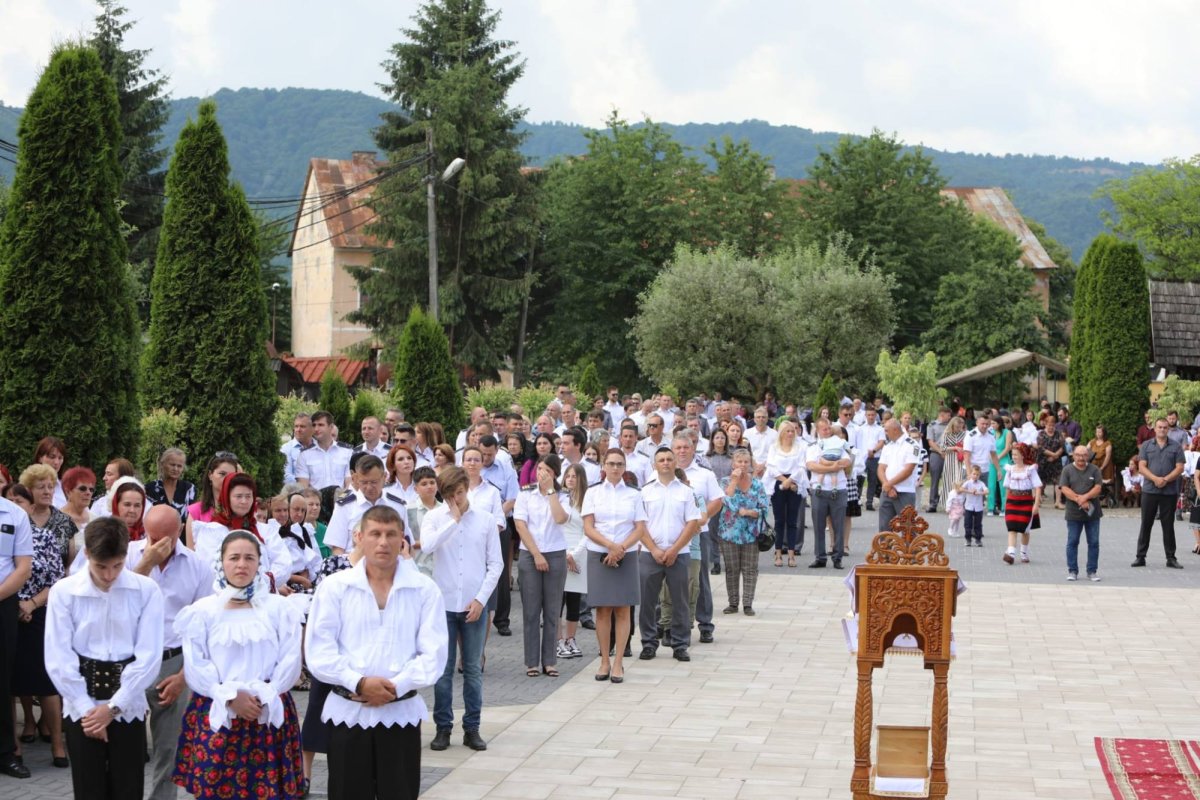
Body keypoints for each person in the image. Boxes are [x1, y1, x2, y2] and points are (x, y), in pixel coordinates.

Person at [304, 506, 446, 800]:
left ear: (402, 540)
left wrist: (396, 687)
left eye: (391, 534)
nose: (383, 542)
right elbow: (319, 650)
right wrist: (358, 682)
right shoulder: (335, 587)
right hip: (348, 714)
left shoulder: (423, 589)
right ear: (359, 537)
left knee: (400, 793)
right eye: (375, 534)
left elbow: (434, 655)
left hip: (400, 715)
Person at [173, 531, 305, 799]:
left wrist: (265, 693)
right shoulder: (203, 611)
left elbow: (291, 660)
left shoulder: (279, 609)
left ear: (260, 562)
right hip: (219, 711)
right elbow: (196, 664)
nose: (241, 564)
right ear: (221, 562)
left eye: (249, 558)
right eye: (234, 558)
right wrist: (230, 696)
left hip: (266, 711)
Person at [45, 517, 164, 799]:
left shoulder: (146, 591)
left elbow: (149, 656)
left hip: (127, 701)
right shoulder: (65, 592)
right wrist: (89, 710)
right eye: (101, 566)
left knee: (128, 785)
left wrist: (112, 708)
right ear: (86, 554)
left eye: (117, 566)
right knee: (89, 787)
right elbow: (58, 656)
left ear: (126, 556)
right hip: (80, 702)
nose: (109, 575)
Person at [123, 505, 212, 800]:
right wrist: (146, 563)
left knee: (168, 747)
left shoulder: (198, 566)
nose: (157, 543)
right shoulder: (129, 555)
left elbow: (204, 629)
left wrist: (184, 676)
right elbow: (117, 605)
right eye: (152, 536)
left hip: (172, 661)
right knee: (127, 746)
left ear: (179, 532)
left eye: (165, 537)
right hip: (130, 662)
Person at [420, 467, 502, 752]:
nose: (455, 499)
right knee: (442, 672)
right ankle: (443, 728)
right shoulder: (434, 518)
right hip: (443, 605)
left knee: (472, 670)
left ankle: (472, 728)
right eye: (449, 495)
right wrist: (452, 521)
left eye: (459, 493)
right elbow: (427, 546)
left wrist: (481, 599)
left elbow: (496, 564)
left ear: (467, 488)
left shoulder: (486, 520)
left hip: (473, 604)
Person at [582, 449, 647, 682]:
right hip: (600, 553)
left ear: (625, 466)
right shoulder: (593, 492)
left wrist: (620, 549)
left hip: (625, 555)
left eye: (620, 464)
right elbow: (588, 527)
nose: (615, 468)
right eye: (611, 463)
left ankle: (618, 662)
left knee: (623, 609)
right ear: (603, 465)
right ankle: (604, 661)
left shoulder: (634, 494)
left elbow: (639, 528)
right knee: (602, 609)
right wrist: (611, 546)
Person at [638, 447, 702, 664]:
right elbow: (639, 524)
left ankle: (680, 644)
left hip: (680, 553)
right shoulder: (645, 492)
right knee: (647, 601)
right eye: (661, 460)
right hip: (650, 553)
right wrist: (654, 549)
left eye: (669, 459)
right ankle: (648, 643)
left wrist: (674, 549)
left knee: (680, 601)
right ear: (654, 465)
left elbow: (692, 523)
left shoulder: (685, 491)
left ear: (675, 463)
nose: (665, 463)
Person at [513, 454, 569, 677]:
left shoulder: (562, 495)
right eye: (539, 469)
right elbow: (520, 525)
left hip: (555, 553)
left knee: (552, 609)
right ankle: (531, 662)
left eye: (546, 470)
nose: (541, 474)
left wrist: (551, 492)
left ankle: (550, 661)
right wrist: (536, 554)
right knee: (531, 610)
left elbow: (560, 519)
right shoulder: (526, 493)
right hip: (530, 553)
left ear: (554, 473)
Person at [0, 488, 33, 780]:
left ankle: (5, 753)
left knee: (2, 681)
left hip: (3, 602)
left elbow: (23, 568)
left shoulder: (15, 514)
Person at [717, 448, 768, 615]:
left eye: (746, 462)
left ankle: (748, 603)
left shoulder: (758, 484)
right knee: (731, 568)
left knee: (750, 568)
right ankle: (733, 603)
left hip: (751, 533)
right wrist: (733, 481)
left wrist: (750, 512)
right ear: (733, 464)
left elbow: (764, 508)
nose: (743, 465)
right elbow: (727, 500)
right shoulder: (725, 482)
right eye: (739, 461)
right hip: (729, 532)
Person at [324, 455, 408, 555]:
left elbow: (405, 543)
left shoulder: (397, 505)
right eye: (364, 482)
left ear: (385, 477)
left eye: (374, 482)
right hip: (355, 565)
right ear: (355, 478)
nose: (369, 487)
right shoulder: (344, 506)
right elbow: (337, 549)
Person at [1133, 417, 1186, 569]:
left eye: (1164, 427)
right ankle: (1140, 557)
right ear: (1155, 429)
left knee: (1168, 525)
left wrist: (1166, 479)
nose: (1162, 429)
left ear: (1168, 429)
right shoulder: (1146, 446)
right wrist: (1155, 479)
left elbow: (1180, 467)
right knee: (1146, 523)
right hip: (1150, 490)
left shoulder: (1176, 447)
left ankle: (1171, 558)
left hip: (1169, 491)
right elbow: (1141, 467)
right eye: (1159, 427)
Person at [806, 417, 852, 570]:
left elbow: (847, 462)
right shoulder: (813, 447)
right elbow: (812, 466)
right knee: (819, 526)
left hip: (838, 490)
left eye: (828, 428)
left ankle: (837, 557)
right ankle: (820, 557)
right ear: (817, 430)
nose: (827, 431)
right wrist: (833, 467)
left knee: (838, 525)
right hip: (819, 491)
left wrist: (828, 465)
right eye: (823, 429)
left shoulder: (838, 443)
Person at [555, 465, 589, 661]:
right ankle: (558, 640)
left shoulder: (586, 502)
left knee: (574, 600)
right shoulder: (559, 499)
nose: (569, 479)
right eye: (567, 476)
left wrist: (574, 555)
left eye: (574, 476)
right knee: (557, 599)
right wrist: (564, 554)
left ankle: (571, 639)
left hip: (579, 554)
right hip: (559, 550)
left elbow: (588, 531)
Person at [764, 419, 807, 568]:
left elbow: (801, 466)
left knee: (792, 521)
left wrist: (790, 482)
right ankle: (778, 553)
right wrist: (784, 481)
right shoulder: (774, 447)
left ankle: (791, 554)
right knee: (779, 520)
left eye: (792, 431)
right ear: (781, 433)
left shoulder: (800, 447)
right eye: (787, 431)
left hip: (795, 483)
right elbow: (771, 467)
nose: (790, 433)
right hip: (778, 483)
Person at [1060, 445, 1104, 581]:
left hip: (1092, 513)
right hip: (1073, 514)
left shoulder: (1095, 470)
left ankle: (1092, 571)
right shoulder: (1067, 470)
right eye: (1078, 455)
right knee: (1072, 542)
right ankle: (1072, 570)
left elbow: (1098, 488)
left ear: (1088, 456)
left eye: (1084, 455)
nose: (1081, 458)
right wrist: (1079, 500)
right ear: (1073, 455)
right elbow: (1064, 488)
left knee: (1094, 542)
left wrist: (1085, 498)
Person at [184, 454, 240, 544]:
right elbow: (191, 552)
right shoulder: (196, 511)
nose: (227, 479)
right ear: (210, 475)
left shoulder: (241, 509)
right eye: (222, 474)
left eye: (232, 475)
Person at [876, 419, 920, 533]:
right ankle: (885, 551)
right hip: (887, 491)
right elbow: (881, 468)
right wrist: (888, 486)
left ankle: (910, 551)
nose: (885, 433)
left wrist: (889, 484)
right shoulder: (888, 445)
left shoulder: (912, 445)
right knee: (884, 527)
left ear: (895, 430)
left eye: (887, 430)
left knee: (908, 529)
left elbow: (908, 470)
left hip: (905, 491)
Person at [1002, 443, 1042, 565]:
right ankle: (1011, 553)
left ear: (1023, 455)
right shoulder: (1010, 469)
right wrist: (1006, 502)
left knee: (1025, 530)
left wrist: (1036, 505)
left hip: (1026, 501)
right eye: (1012, 454)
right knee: (1012, 528)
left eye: (1016, 454)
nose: (1013, 456)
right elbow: (1007, 487)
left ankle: (1023, 552)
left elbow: (1038, 487)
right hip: (1012, 501)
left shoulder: (1030, 470)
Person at [145, 448, 196, 520]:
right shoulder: (149, 488)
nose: (176, 469)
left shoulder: (189, 489)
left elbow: (192, 518)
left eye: (179, 466)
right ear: (162, 464)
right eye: (172, 465)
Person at [60, 467, 97, 557]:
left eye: (91, 489)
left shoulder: (96, 520)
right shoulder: (57, 520)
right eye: (82, 488)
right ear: (68, 492)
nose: (88, 493)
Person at [1036, 415, 1067, 509]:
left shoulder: (1058, 433)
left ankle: (1058, 501)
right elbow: (1040, 448)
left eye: (1052, 425)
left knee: (1058, 480)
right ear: (1045, 424)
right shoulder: (1041, 434)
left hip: (1056, 462)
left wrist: (1055, 455)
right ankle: (1038, 500)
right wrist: (1053, 455)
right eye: (1049, 425)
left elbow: (1062, 446)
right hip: (1043, 461)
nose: (1051, 427)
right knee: (1041, 481)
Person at [924, 408, 952, 512]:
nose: (949, 417)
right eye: (948, 415)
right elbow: (930, 441)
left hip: (949, 453)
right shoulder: (932, 425)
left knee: (949, 478)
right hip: (936, 453)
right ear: (942, 415)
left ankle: (948, 503)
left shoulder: (951, 425)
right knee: (934, 479)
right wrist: (941, 451)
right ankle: (933, 503)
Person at [938, 417, 968, 511]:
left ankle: (960, 504)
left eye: (960, 427)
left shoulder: (964, 434)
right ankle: (948, 503)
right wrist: (954, 447)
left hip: (961, 460)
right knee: (949, 480)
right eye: (957, 427)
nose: (958, 429)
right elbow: (942, 448)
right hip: (950, 459)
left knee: (960, 480)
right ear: (952, 426)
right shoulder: (946, 435)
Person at [32, 436, 69, 509]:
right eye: (52, 457)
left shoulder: (66, 487)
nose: (56, 462)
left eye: (60, 458)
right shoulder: (29, 486)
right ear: (40, 458)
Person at [956, 465, 988, 546]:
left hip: (978, 507)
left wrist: (979, 492)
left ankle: (978, 539)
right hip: (969, 507)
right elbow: (960, 489)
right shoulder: (968, 483)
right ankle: (968, 539)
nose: (975, 476)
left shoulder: (981, 483)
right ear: (970, 474)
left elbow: (987, 491)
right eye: (974, 474)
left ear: (979, 475)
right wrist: (970, 491)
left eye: (977, 474)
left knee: (978, 524)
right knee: (967, 524)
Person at [990, 416, 1014, 516]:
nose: (992, 426)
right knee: (991, 484)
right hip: (992, 459)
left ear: (999, 424)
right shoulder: (991, 433)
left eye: (993, 423)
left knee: (1003, 485)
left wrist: (998, 457)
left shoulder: (1007, 433)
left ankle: (1004, 508)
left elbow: (1008, 447)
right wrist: (993, 458)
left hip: (1003, 460)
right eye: (991, 424)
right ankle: (991, 508)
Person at [1087, 425, 1115, 504]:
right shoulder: (1092, 442)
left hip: (1105, 465)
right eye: (1097, 432)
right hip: (1094, 465)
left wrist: (1102, 467)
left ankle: (1109, 499)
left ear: (1103, 433)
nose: (1098, 434)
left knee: (1107, 482)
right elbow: (1086, 450)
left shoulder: (1107, 443)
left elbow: (1108, 456)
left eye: (1100, 432)